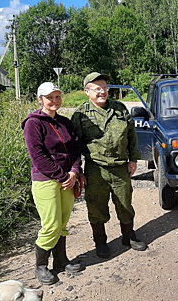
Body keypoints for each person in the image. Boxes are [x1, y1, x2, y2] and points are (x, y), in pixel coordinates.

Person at [71, 72, 147, 258]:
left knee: (125, 204)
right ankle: (100, 241)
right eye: (97, 89)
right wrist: (78, 171)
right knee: (96, 206)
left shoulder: (120, 109)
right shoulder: (80, 115)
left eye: (105, 88)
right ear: (87, 91)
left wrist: (133, 159)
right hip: (95, 169)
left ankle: (128, 236)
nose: (102, 92)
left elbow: (131, 136)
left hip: (121, 167)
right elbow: (74, 145)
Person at [21, 82, 84, 285]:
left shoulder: (65, 122)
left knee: (63, 221)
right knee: (51, 225)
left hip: (67, 178)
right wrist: (63, 175)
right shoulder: (33, 123)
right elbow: (38, 156)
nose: (55, 101)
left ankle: (61, 260)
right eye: (50, 98)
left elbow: (75, 150)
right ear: (41, 100)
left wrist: (74, 171)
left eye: (58, 97)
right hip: (46, 180)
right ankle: (41, 266)